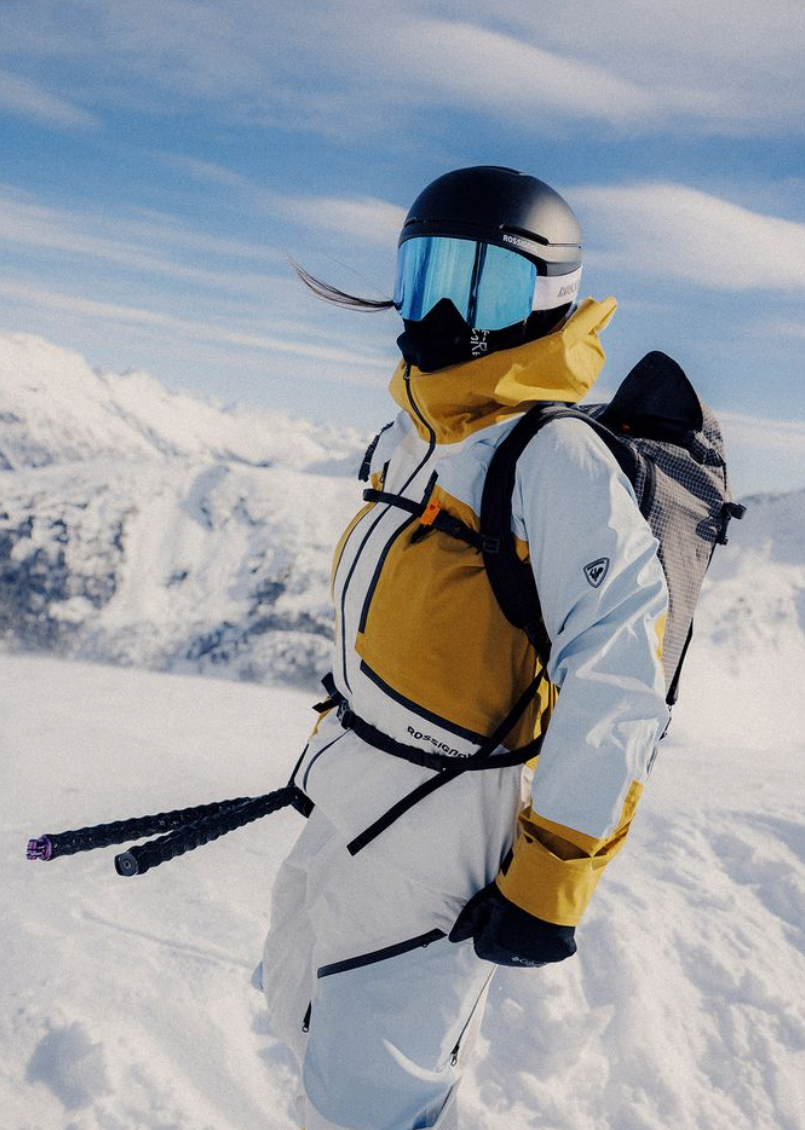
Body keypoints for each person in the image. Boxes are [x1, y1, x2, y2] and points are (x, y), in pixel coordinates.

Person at [259, 165, 669, 1130]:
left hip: (445, 813)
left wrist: (552, 878)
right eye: (424, 274)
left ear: (545, 300)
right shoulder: (413, 432)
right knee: (297, 997)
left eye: (478, 285)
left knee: (377, 1084)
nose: (442, 309)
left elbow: (617, 683)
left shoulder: (555, 459)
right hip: (358, 780)